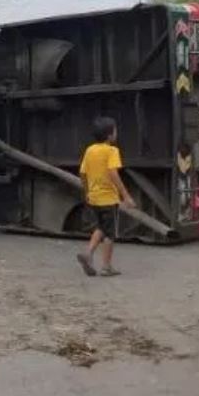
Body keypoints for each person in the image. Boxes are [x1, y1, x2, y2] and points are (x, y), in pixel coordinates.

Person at [76, 116, 136, 277]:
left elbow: (83, 173)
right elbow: (113, 173)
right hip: (108, 198)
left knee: (101, 227)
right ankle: (106, 267)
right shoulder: (112, 151)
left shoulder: (90, 150)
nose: (117, 133)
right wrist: (126, 196)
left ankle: (88, 253)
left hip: (94, 198)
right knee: (110, 234)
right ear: (110, 135)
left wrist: (87, 192)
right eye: (115, 131)